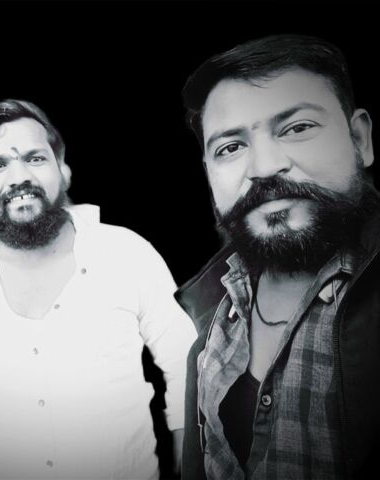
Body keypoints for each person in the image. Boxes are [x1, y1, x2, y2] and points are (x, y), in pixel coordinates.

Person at [0, 99, 197, 479]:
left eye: (35, 158)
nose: (19, 177)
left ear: (63, 169)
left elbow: (186, 367)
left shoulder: (127, 253)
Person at [176, 34, 380, 479]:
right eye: (230, 147)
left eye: (297, 127)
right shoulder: (211, 315)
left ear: (360, 139)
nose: (265, 167)